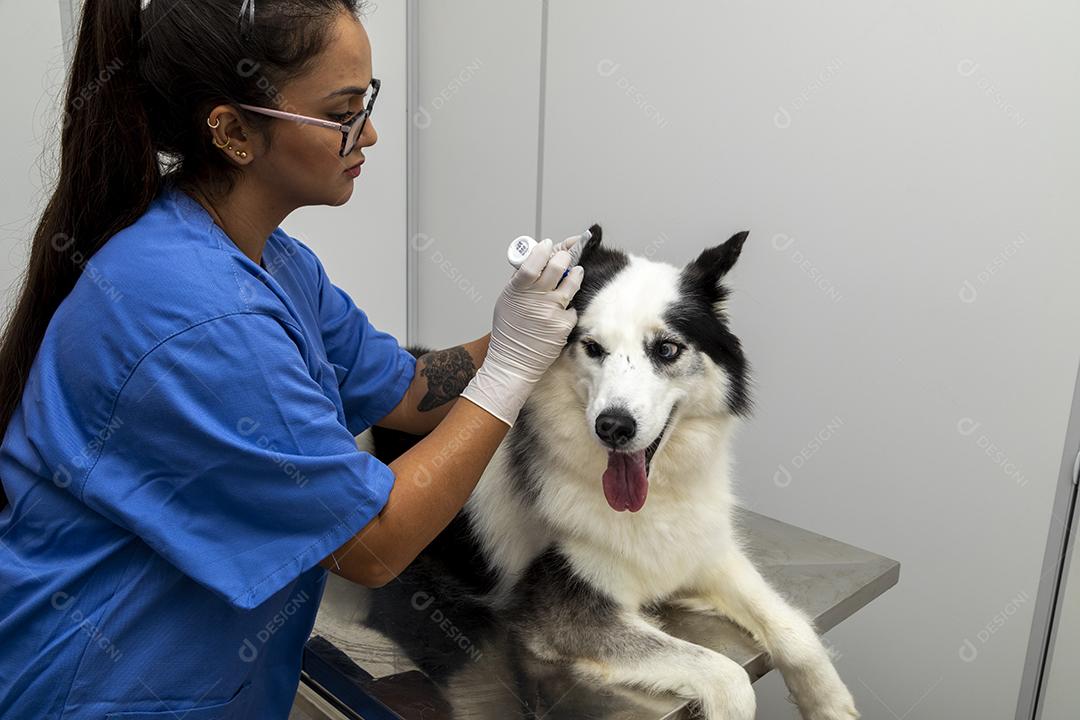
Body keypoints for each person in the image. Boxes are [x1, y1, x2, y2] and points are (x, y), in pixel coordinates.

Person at [0, 0, 583, 717]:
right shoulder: (199, 314)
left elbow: (406, 391)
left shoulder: (272, 263)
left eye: (366, 102)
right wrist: (514, 368)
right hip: (104, 690)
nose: (367, 133)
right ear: (233, 131)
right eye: (342, 114)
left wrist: (532, 326)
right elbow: (373, 546)